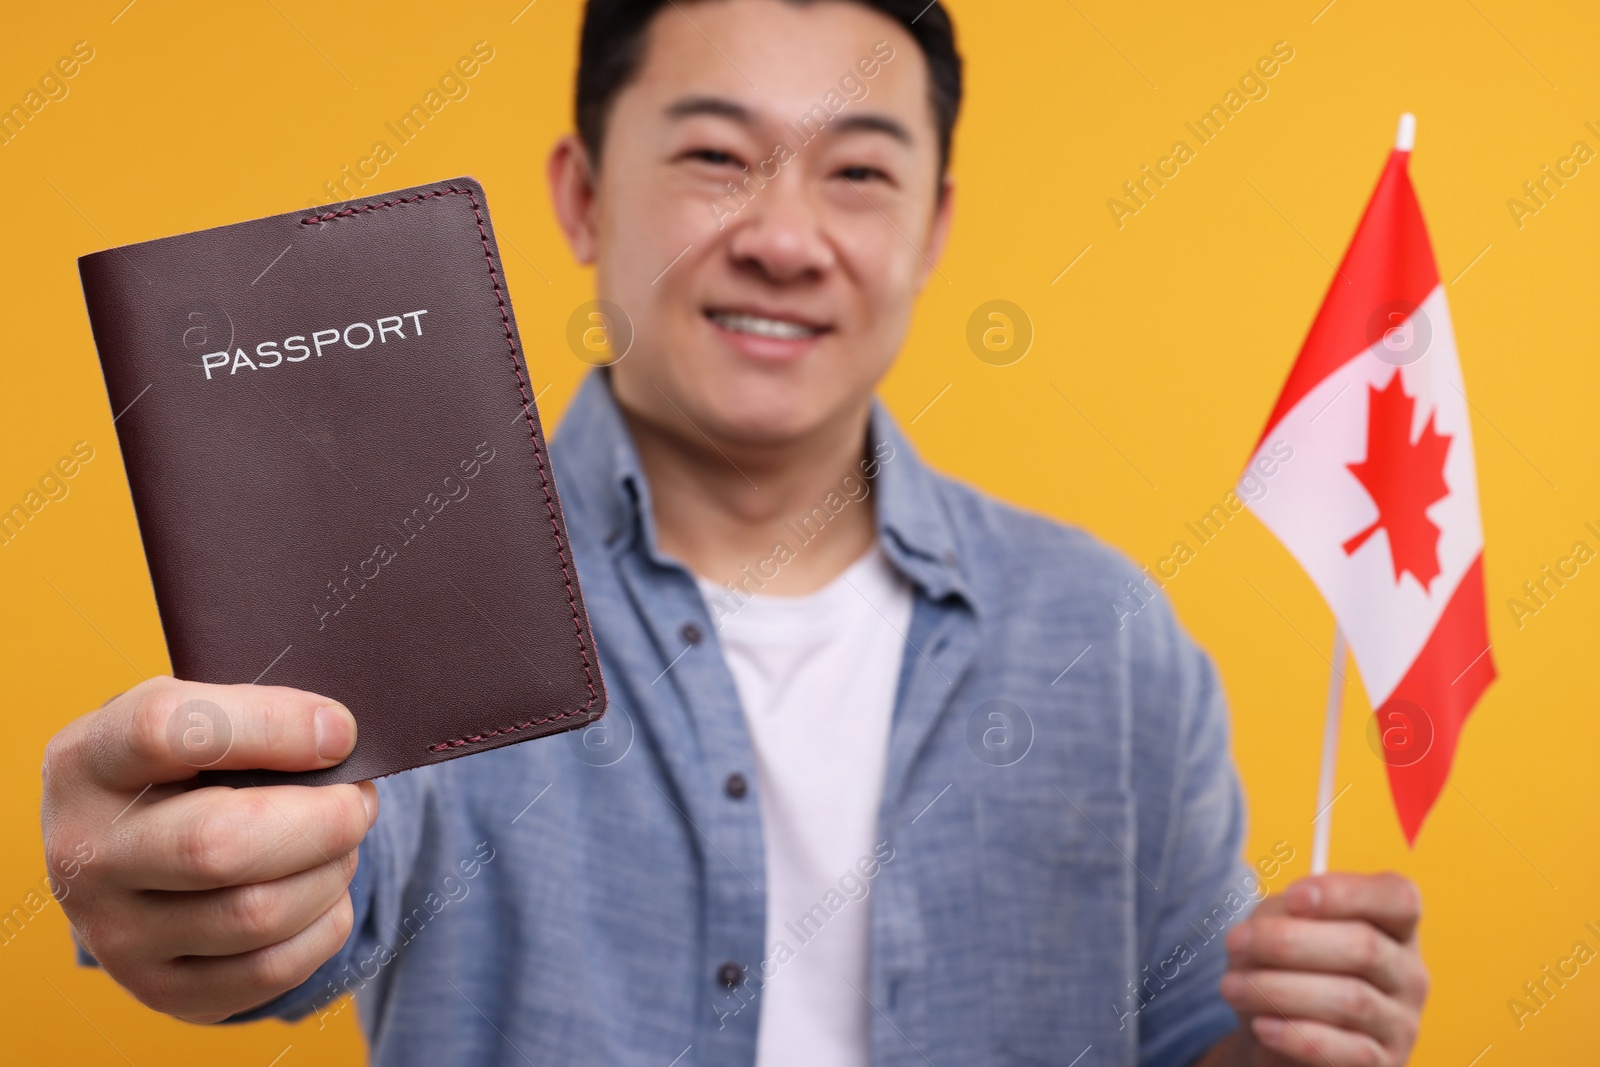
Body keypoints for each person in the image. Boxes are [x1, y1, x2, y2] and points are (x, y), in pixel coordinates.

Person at [40, 1, 1429, 1064]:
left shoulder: (1112, 637)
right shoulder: (407, 573)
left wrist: (1288, 1038)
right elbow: (287, 915)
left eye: (860, 175)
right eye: (716, 156)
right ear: (582, 194)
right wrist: (178, 889)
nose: (784, 236)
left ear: (935, 229)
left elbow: (1193, 1041)